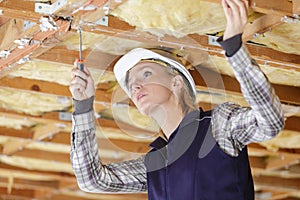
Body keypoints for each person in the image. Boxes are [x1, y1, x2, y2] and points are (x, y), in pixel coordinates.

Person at [69, 0, 284, 199]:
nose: (135, 86)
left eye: (146, 73)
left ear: (176, 82)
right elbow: (92, 180)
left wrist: (234, 49)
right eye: (130, 84)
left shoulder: (218, 126)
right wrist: (83, 106)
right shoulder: (156, 161)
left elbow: (270, 122)